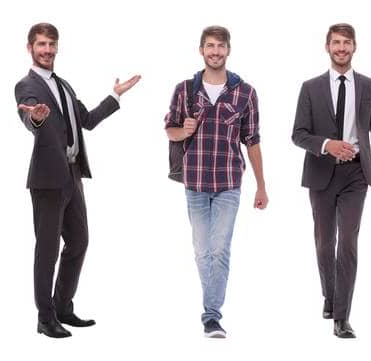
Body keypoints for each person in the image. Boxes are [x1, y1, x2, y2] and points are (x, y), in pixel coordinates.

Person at [14, 22, 141, 339]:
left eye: (51, 44)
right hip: (47, 179)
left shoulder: (65, 86)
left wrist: (115, 95)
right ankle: (45, 319)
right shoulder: (26, 85)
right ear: (30, 48)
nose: (47, 50)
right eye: (41, 44)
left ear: (57, 47)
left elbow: (87, 121)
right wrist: (36, 117)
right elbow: (30, 116)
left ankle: (62, 308)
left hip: (72, 174)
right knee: (47, 251)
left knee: (79, 241)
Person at [289, 23, 371, 339]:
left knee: (348, 243)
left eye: (347, 43)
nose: (341, 48)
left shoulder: (369, 86)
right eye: (336, 42)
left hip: (355, 176)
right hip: (321, 173)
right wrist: (327, 145)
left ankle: (342, 316)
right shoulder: (310, 87)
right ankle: (330, 295)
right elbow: (298, 134)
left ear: (354, 47)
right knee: (325, 244)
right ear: (327, 47)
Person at [163, 25, 269, 339]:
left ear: (228, 50)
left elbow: (252, 140)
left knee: (219, 249)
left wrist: (262, 185)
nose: (215, 52)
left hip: (228, 182)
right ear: (201, 50)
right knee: (201, 251)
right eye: (210, 46)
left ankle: (211, 317)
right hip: (194, 182)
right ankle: (211, 310)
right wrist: (186, 129)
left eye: (220, 47)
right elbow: (170, 130)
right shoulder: (185, 89)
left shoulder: (245, 92)